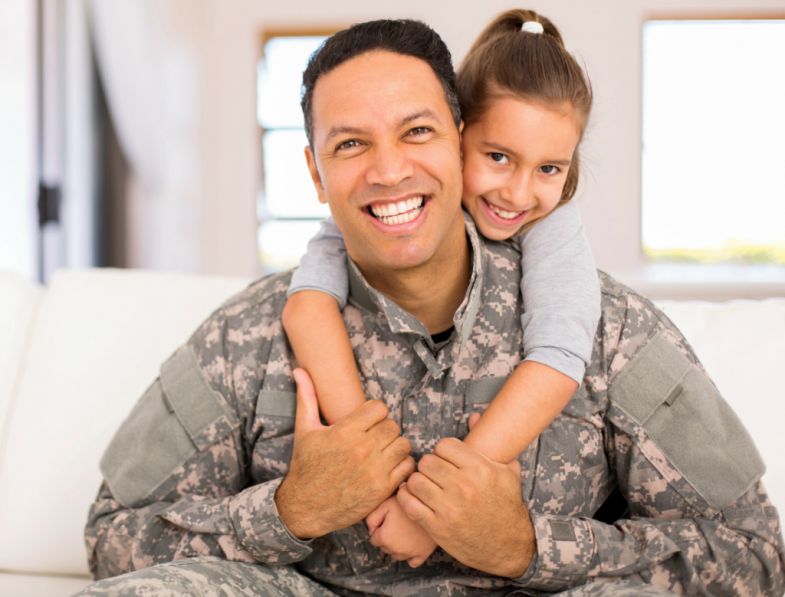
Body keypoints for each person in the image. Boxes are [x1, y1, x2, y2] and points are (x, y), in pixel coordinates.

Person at [76, 16, 784, 597]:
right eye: (351, 144)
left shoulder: (604, 327)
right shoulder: (249, 333)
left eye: (416, 132)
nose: (388, 170)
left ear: (457, 138)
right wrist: (288, 510)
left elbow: (754, 554)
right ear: (315, 174)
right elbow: (111, 538)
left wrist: (528, 546)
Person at [281, 9, 598, 568]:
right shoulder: (353, 224)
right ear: (463, 138)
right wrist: (372, 478)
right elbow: (306, 310)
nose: (519, 193)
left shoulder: (554, 227)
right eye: (497, 157)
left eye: (550, 169)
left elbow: (560, 352)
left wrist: (434, 509)